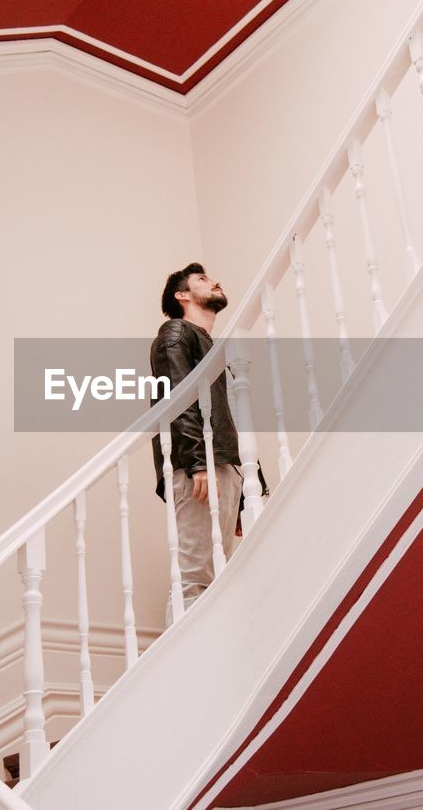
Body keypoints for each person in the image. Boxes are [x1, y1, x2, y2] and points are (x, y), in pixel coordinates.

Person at [150, 263, 243, 623]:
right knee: (193, 579)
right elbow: (177, 397)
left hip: (223, 464)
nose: (216, 281)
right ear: (182, 295)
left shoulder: (213, 348)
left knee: (218, 577)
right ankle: (183, 671)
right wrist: (196, 462)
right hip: (197, 464)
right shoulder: (176, 333)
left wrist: (249, 488)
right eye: (203, 279)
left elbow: (230, 415)